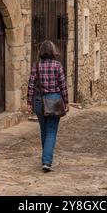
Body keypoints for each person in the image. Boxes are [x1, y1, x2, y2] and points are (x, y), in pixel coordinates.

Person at [27, 40, 69, 173]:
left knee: (44, 130)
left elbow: (31, 85)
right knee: (51, 131)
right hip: (54, 101)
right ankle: (47, 161)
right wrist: (66, 101)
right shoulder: (57, 65)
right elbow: (62, 85)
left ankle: (45, 158)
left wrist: (29, 102)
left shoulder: (37, 65)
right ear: (53, 51)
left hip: (39, 101)